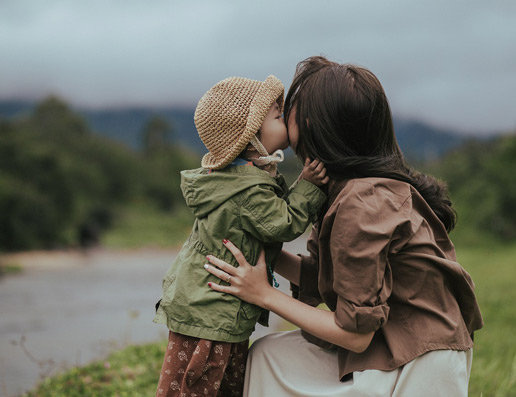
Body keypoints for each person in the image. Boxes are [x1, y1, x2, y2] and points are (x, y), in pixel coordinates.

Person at [203, 56, 484, 396]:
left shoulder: (362, 202)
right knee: (268, 356)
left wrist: (264, 294)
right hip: (392, 341)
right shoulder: (348, 188)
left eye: (286, 110)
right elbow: (329, 277)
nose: (281, 116)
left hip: (419, 361)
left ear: (311, 123)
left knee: (272, 358)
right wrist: (256, 248)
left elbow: (354, 332)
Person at [154, 74, 329, 396]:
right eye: (278, 116)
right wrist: (309, 187)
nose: (285, 119)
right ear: (251, 139)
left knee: (222, 382)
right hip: (210, 310)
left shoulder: (243, 178)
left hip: (212, 306)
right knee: (200, 383)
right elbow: (283, 224)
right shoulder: (245, 188)